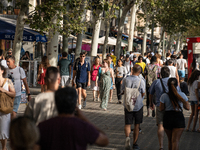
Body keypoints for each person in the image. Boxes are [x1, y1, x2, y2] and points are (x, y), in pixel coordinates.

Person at [36, 87, 109, 150]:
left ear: (56, 104)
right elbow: (104, 140)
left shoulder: (43, 126)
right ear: (75, 106)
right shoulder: (83, 126)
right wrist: (85, 119)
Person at [149, 67, 181, 150]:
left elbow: (150, 93)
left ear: (160, 73)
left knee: (160, 125)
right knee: (172, 126)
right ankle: (172, 142)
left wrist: (151, 103)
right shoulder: (173, 82)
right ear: (169, 73)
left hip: (160, 106)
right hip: (171, 107)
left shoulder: (156, 82)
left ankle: (161, 146)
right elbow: (178, 93)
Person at [159, 78, 190, 150]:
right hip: (178, 117)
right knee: (175, 141)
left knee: (170, 140)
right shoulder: (182, 95)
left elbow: (161, 108)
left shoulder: (164, 96)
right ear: (177, 85)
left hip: (167, 117)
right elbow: (188, 108)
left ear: (167, 85)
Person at [122, 64, 145, 150]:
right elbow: (143, 92)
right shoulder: (141, 80)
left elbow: (123, 90)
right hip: (138, 105)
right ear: (139, 71)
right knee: (137, 125)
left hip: (128, 104)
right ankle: (135, 144)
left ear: (132, 70)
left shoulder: (126, 79)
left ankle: (127, 137)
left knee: (127, 123)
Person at [0, 64, 15, 150]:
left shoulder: (8, 81)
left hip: (4, 110)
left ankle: (4, 148)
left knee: (3, 132)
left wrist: (4, 91)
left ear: (2, 71)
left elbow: (14, 94)